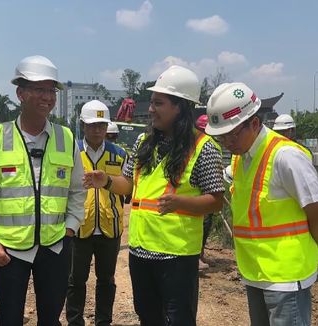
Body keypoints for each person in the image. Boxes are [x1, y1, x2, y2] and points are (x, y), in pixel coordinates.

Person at [83, 65, 224, 326]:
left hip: (177, 256)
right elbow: (128, 185)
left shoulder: (203, 148)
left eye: (158, 103)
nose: (150, 109)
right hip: (140, 250)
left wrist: (183, 202)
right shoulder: (143, 142)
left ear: (179, 107)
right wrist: (106, 181)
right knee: (147, 316)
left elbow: (216, 200)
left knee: (179, 319)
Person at [0, 55, 85, 326]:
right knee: (9, 319)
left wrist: (71, 226)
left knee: (50, 318)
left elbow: (77, 190)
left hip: (55, 246)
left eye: (51, 90)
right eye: (39, 89)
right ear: (20, 93)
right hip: (9, 252)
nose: (47, 97)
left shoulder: (65, 138)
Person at [205, 82, 318, 326]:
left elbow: (316, 212)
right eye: (221, 136)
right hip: (254, 271)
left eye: (231, 134)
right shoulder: (240, 159)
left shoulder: (286, 157)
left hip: (286, 276)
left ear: (254, 123)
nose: (226, 142)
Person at [66, 100, 127, 326]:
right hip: (80, 227)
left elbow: (128, 188)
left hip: (110, 228)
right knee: (76, 280)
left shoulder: (119, 155)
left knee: (106, 280)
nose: (97, 130)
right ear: (83, 125)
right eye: (92, 125)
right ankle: (75, 321)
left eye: (101, 125)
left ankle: (103, 321)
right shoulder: (72, 153)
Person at [194, 114, 221, 271]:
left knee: (207, 225)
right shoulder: (203, 144)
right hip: (201, 193)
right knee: (202, 225)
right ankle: (197, 257)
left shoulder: (209, 143)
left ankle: (201, 255)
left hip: (210, 189)